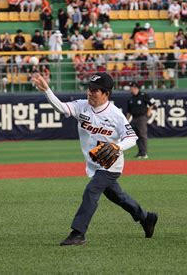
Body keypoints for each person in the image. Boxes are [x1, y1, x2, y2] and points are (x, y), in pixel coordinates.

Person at [31, 72, 158, 246]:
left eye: (95, 90)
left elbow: (131, 137)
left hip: (110, 164)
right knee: (118, 197)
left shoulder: (115, 114)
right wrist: (47, 91)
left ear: (106, 93)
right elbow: (61, 107)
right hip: (94, 163)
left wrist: (117, 147)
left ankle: (78, 233)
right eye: (89, 89)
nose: (90, 93)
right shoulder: (82, 106)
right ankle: (146, 218)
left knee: (91, 191)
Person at [126, 82, 155, 159]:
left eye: (132, 88)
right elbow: (129, 112)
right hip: (134, 118)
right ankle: (140, 152)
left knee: (142, 135)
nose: (131, 89)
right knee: (135, 136)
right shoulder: (131, 98)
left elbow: (152, 102)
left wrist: (149, 111)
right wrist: (126, 121)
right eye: (131, 88)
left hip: (141, 118)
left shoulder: (143, 95)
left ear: (136, 88)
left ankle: (144, 153)